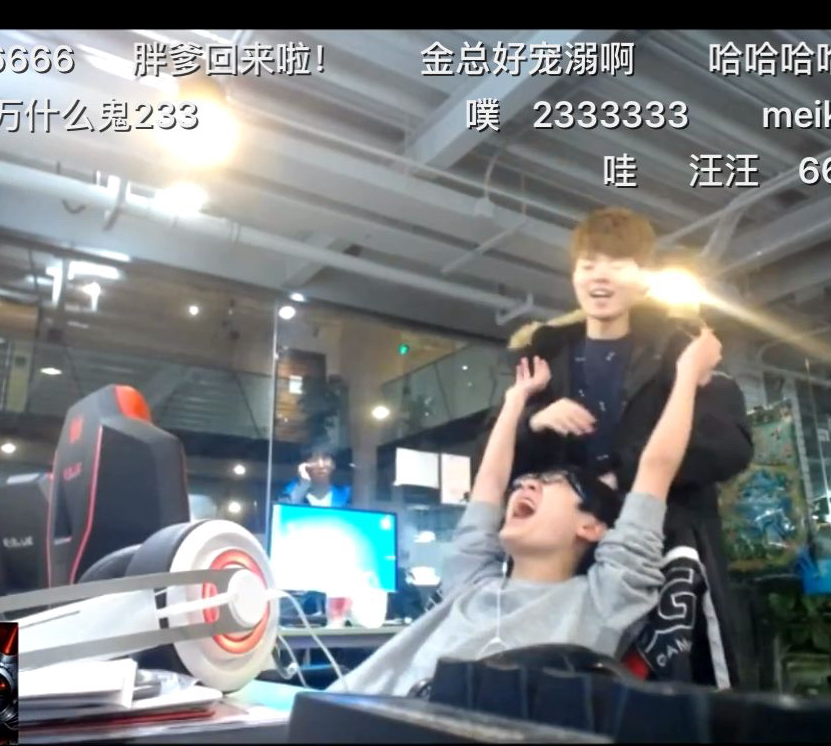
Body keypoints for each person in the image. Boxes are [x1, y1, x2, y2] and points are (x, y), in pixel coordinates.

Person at [329, 329, 722, 696]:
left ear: (592, 526)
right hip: (340, 714)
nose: (525, 485)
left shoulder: (603, 600)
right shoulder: (470, 581)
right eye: (527, 481)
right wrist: (517, 399)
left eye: (552, 482)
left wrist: (687, 374)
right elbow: (489, 481)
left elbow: (656, 468)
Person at [495, 207, 755, 688]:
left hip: (667, 557)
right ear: (574, 275)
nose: (600, 276)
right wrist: (535, 422)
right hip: (562, 563)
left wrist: (621, 475)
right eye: (589, 264)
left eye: (618, 264)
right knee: (559, 692)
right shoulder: (542, 361)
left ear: (642, 278)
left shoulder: (683, 351)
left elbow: (728, 445)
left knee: (672, 696)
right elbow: (487, 463)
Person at [281, 449, 351, 507]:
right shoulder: (291, 491)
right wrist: (303, 485)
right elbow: (284, 513)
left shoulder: (346, 494)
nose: (321, 465)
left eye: (325, 458)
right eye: (314, 459)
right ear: (305, 464)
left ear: (333, 464)